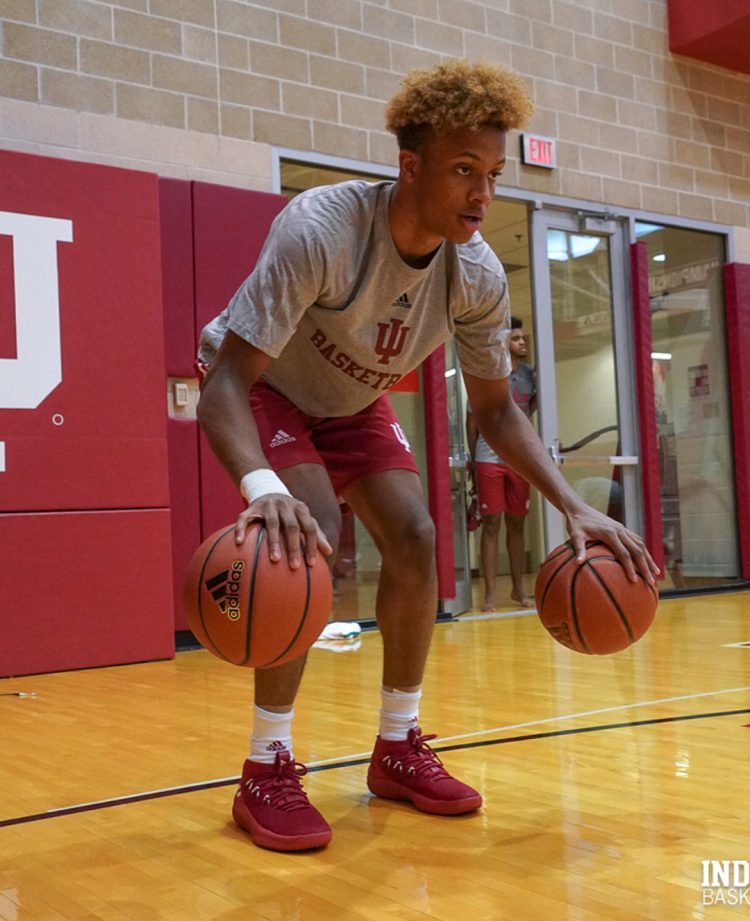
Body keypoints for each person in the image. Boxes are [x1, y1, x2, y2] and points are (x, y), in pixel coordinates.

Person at [196, 59, 658, 853]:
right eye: (464, 170)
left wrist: (573, 505)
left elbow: (495, 411)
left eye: (494, 174)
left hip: (352, 400)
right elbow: (226, 383)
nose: (483, 193)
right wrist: (262, 485)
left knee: (415, 535)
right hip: (266, 387)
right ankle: (265, 765)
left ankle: (396, 746)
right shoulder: (322, 229)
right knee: (306, 532)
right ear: (410, 166)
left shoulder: (476, 275)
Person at [466, 316, 536, 610]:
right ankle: (490, 593)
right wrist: (472, 459)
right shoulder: (490, 374)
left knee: (517, 523)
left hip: (518, 457)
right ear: (504, 342)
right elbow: (472, 420)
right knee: (491, 523)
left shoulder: (531, 375)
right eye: (516, 338)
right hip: (488, 455)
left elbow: (531, 408)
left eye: (522, 338)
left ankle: (519, 590)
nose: (522, 343)